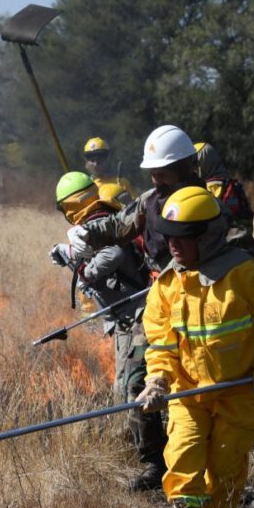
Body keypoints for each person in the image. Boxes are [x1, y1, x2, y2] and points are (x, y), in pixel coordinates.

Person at [136, 186, 254, 508]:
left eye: (183, 238)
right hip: (187, 392)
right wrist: (157, 379)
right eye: (169, 237)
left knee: (225, 466)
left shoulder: (245, 275)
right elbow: (160, 342)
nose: (173, 246)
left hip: (240, 391)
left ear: (207, 236)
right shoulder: (166, 287)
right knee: (182, 454)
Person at [48, 172, 163, 490]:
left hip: (140, 314)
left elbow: (111, 255)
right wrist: (72, 257)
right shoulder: (104, 220)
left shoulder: (101, 221)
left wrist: (81, 266)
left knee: (135, 387)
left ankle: (156, 464)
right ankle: (135, 445)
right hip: (126, 318)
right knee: (122, 388)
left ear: (69, 206)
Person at [71, 125, 254, 274]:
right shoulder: (148, 201)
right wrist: (87, 232)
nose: (157, 182)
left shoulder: (211, 209)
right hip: (161, 300)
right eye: (153, 174)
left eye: (163, 175)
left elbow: (245, 258)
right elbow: (117, 225)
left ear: (186, 169)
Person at [194, 141, 254, 260]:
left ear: (203, 163)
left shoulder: (212, 188)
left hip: (227, 254)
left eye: (194, 164)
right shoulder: (232, 185)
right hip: (248, 249)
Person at [82, 136, 137, 205]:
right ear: (86, 162)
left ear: (108, 158)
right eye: (92, 160)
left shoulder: (122, 183)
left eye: (100, 159)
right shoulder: (87, 188)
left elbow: (136, 207)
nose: (96, 164)